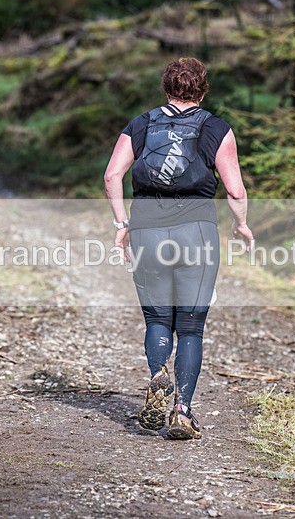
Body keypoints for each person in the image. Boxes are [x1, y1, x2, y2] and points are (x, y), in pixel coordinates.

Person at [104, 57, 253, 439]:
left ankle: (157, 375)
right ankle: (183, 412)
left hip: (147, 230)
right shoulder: (217, 128)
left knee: (157, 320)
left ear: (166, 88)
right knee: (190, 327)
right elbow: (235, 189)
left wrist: (122, 225)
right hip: (197, 234)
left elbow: (111, 175)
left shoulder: (141, 123)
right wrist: (241, 225)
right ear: (203, 88)